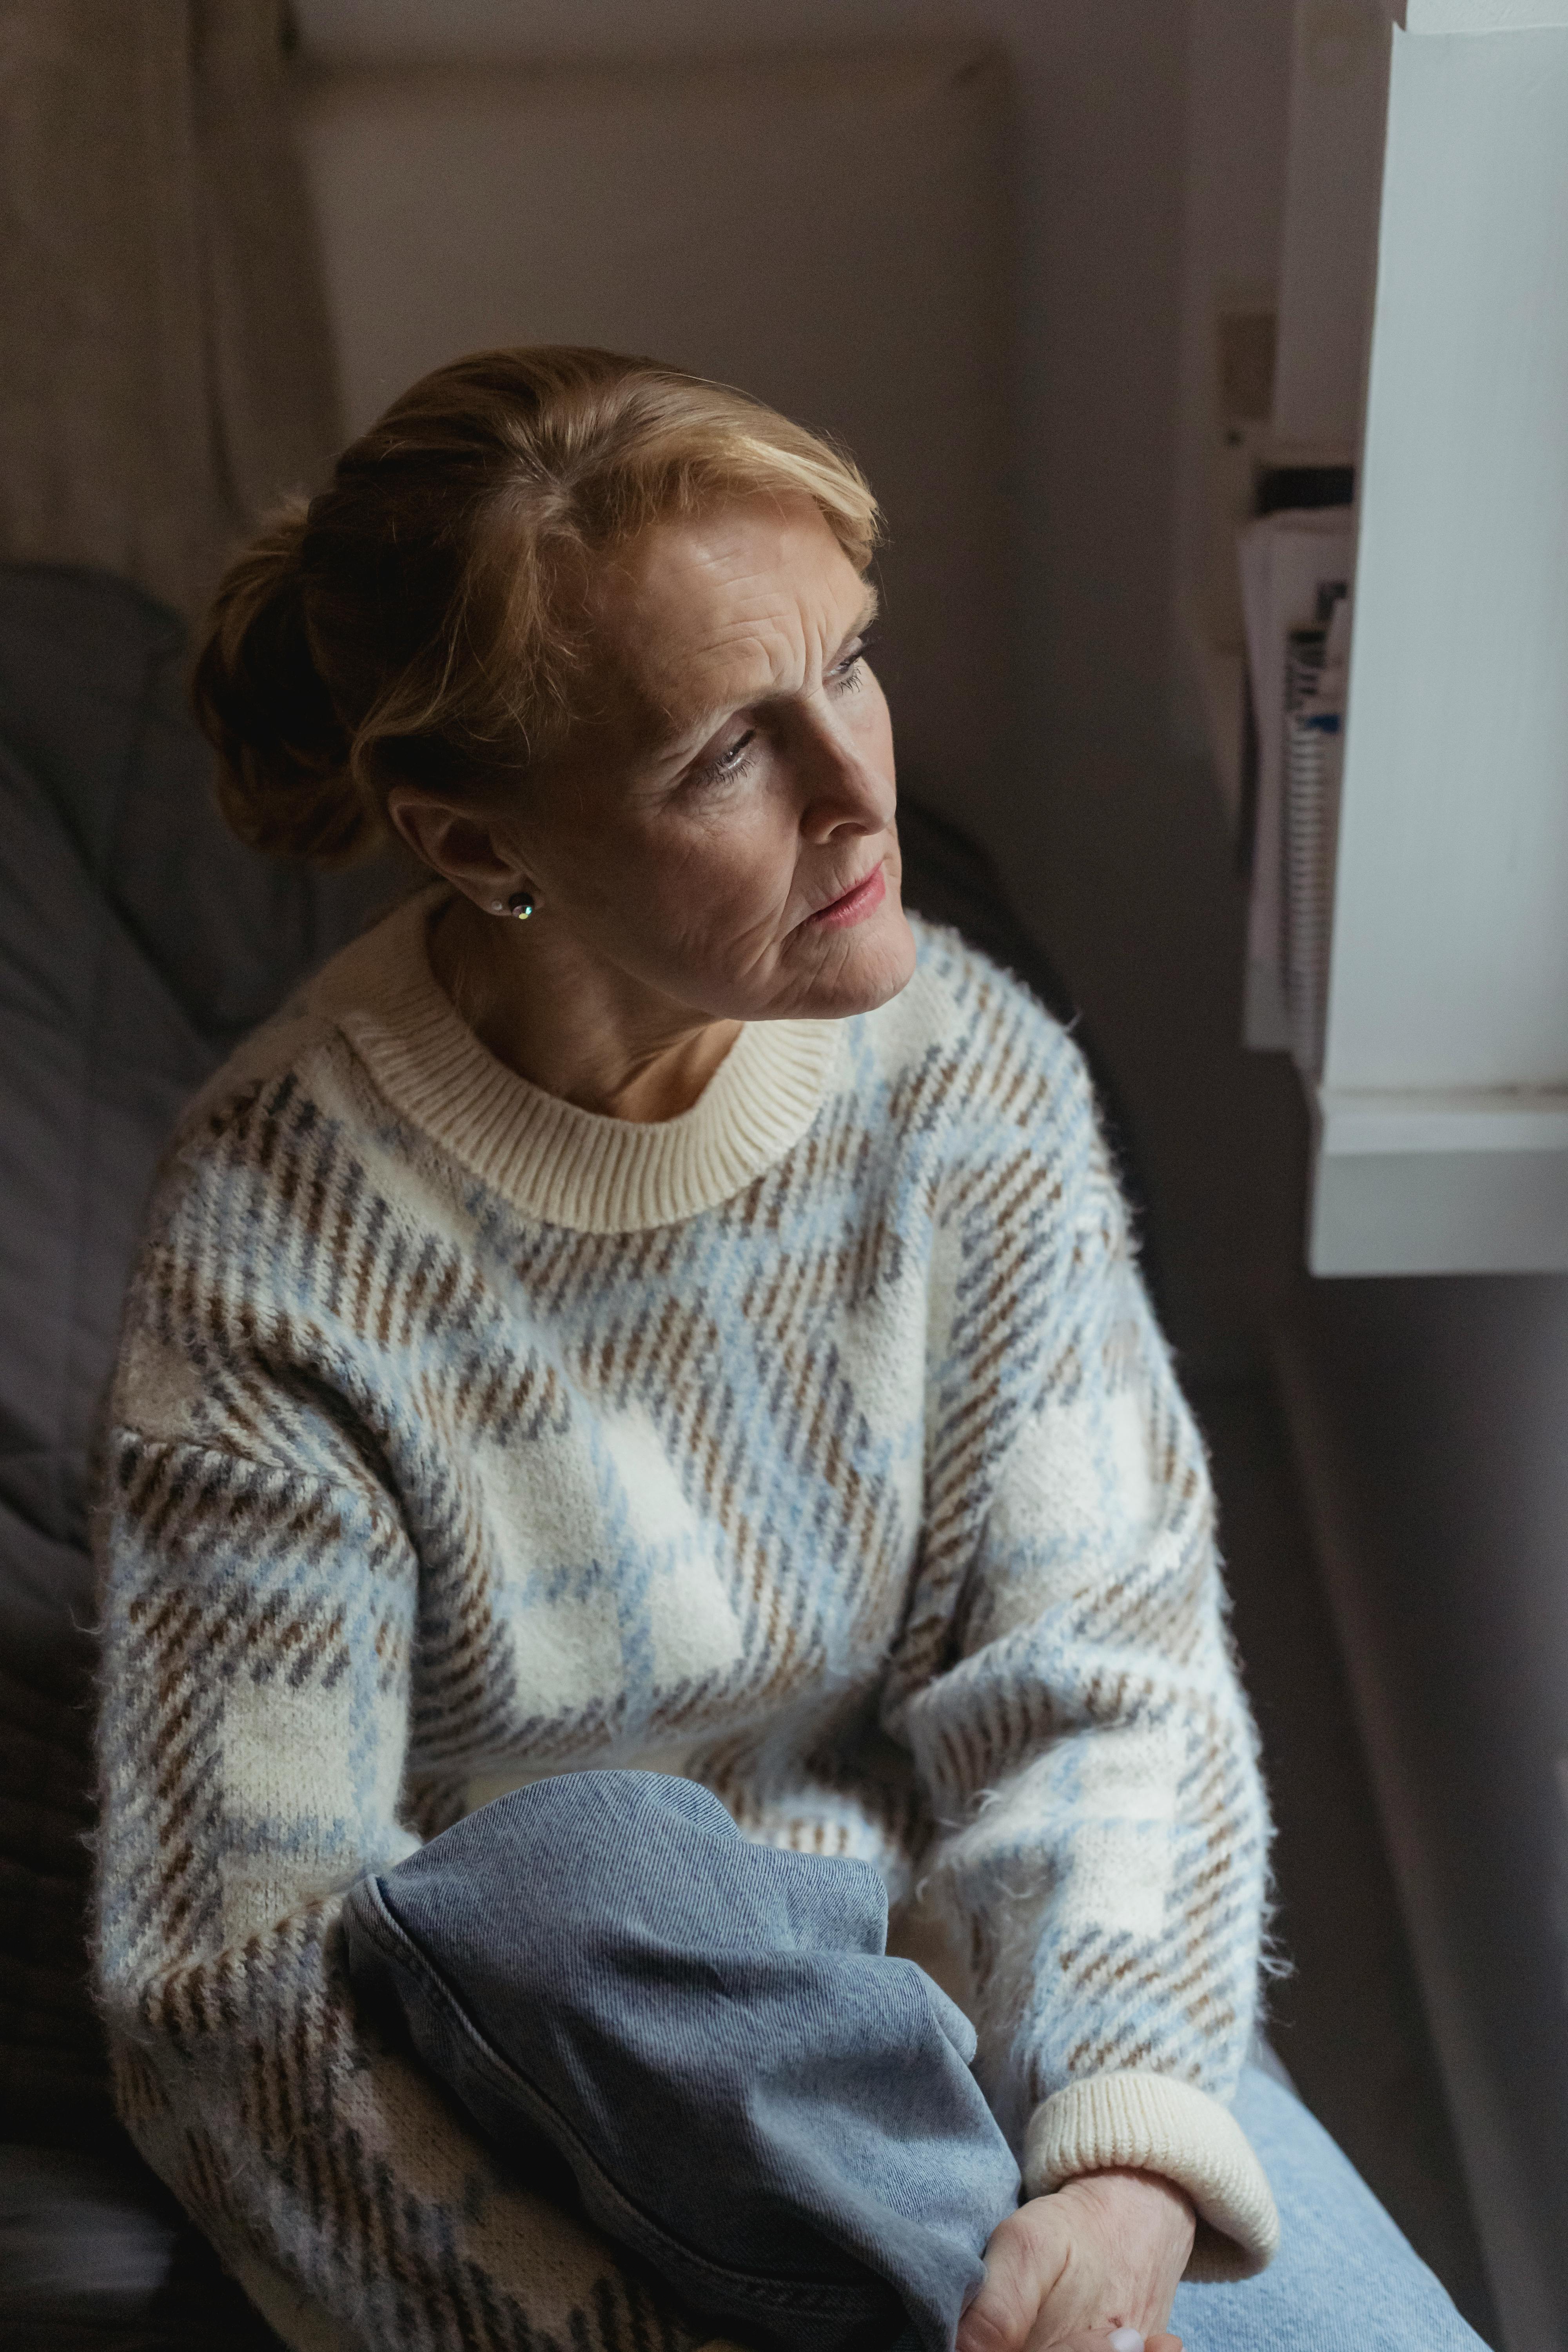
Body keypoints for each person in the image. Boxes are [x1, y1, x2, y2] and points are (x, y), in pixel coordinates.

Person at [92, 348, 1487, 2352]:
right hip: (537, 2070)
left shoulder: (971, 1085)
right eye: (723, 755)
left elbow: (1104, 1663)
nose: (858, 790)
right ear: (478, 841)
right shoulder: (274, 1259)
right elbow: (235, 2003)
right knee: (583, 1868)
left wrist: (1109, 2170)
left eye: (850, 664)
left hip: (939, 2046)